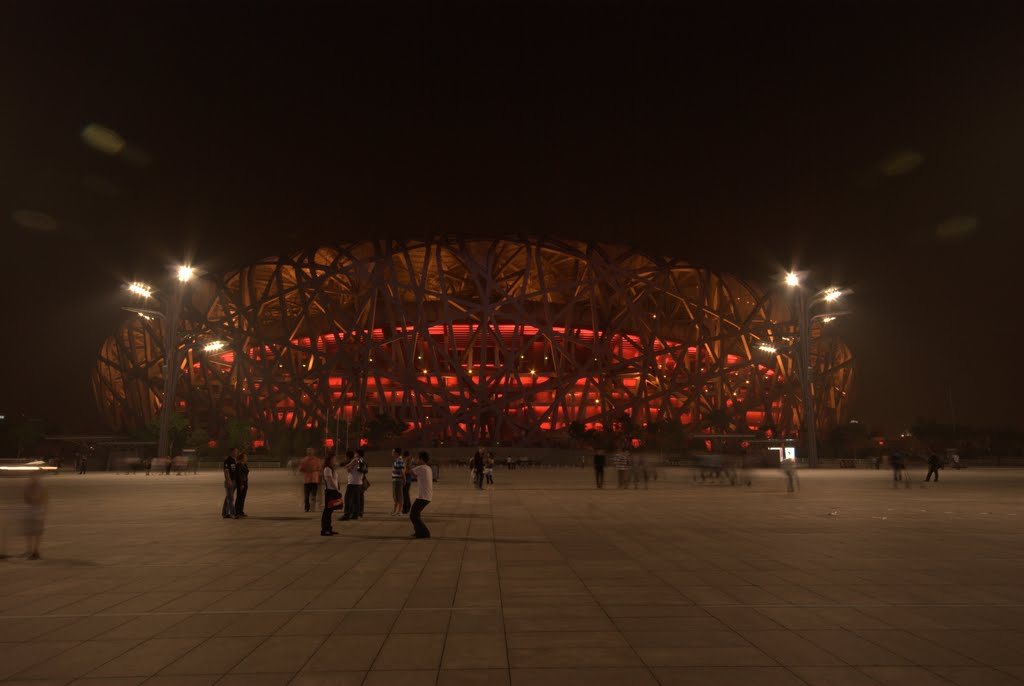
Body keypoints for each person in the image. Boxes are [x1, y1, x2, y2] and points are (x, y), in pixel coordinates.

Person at [23, 473, 48, 560]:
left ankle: (34, 551)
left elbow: (44, 498)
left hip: (35, 510)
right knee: (32, 532)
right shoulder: (36, 485)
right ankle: (32, 551)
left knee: (35, 532)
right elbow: (26, 497)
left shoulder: (39, 485)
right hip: (34, 510)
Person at [410, 451, 433, 539]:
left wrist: (408, 462)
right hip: (426, 496)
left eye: (418, 458)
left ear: (422, 459)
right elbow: (416, 476)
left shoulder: (421, 467)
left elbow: (409, 471)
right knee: (416, 514)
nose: (417, 460)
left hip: (423, 496)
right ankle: (419, 532)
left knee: (413, 514)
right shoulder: (427, 468)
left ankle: (425, 533)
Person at [340, 451, 364, 521]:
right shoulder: (361, 460)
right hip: (359, 482)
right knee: (356, 500)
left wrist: (348, 465)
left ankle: (346, 514)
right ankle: (355, 514)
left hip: (352, 482)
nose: (354, 454)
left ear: (358, 454)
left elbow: (347, 468)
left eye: (355, 453)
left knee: (347, 499)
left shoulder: (355, 459)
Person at [321, 453, 341, 536]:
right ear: (330, 460)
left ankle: (329, 528)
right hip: (330, 492)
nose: (335, 460)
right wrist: (336, 490)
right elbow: (330, 480)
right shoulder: (327, 469)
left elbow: (335, 480)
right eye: (334, 459)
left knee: (330, 511)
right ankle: (325, 530)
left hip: (332, 491)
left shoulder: (331, 468)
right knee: (327, 511)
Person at [298, 448, 322, 513]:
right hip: (313, 479)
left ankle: (307, 508)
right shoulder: (317, 460)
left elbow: (300, 469)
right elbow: (319, 469)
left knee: (307, 495)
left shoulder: (303, 460)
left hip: (308, 479)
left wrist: (306, 470)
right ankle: (312, 507)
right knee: (312, 495)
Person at [222, 448, 238, 519]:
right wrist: (229, 481)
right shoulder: (227, 460)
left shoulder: (234, 460)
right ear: (231, 452)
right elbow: (226, 471)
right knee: (230, 498)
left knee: (228, 498)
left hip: (234, 481)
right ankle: (233, 513)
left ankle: (225, 513)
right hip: (230, 481)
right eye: (235, 452)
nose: (237, 453)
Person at [391, 448, 405, 516]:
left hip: (398, 480)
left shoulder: (399, 460)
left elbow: (402, 470)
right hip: (395, 480)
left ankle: (399, 511)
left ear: (396, 453)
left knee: (399, 496)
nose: (392, 453)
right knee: (395, 496)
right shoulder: (396, 460)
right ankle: (395, 510)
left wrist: (404, 479)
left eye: (393, 452)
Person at [234, 452, 250, 517]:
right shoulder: (238, 465)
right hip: (241, 483)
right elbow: (239, 475)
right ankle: (236, 512)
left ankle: (240, 511)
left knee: (243, 498)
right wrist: (241, 484)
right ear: (242, 458)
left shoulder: (244, 464)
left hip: (245, 482)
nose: (246, 458)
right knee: (239, 497)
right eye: (245, 457)